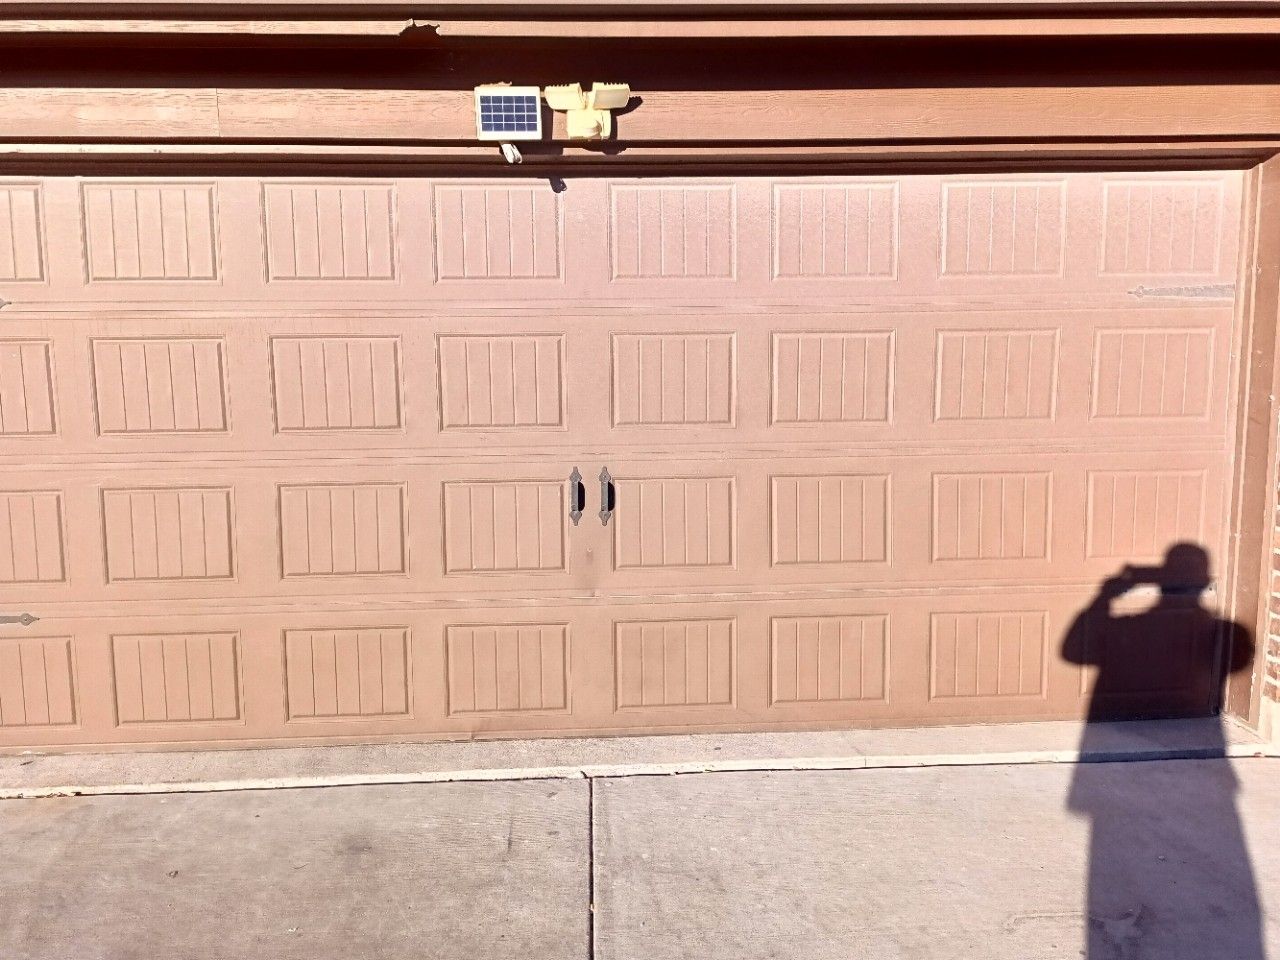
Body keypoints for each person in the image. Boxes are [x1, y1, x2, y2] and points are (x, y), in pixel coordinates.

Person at [1061, 543, 1262, 959]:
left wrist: (1106, 595)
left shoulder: (1186, 628)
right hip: (1199, 785)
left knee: (1115, 861)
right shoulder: (1145, 628)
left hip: (1137, 775)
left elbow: (1073, 651)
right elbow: (1073, 652)